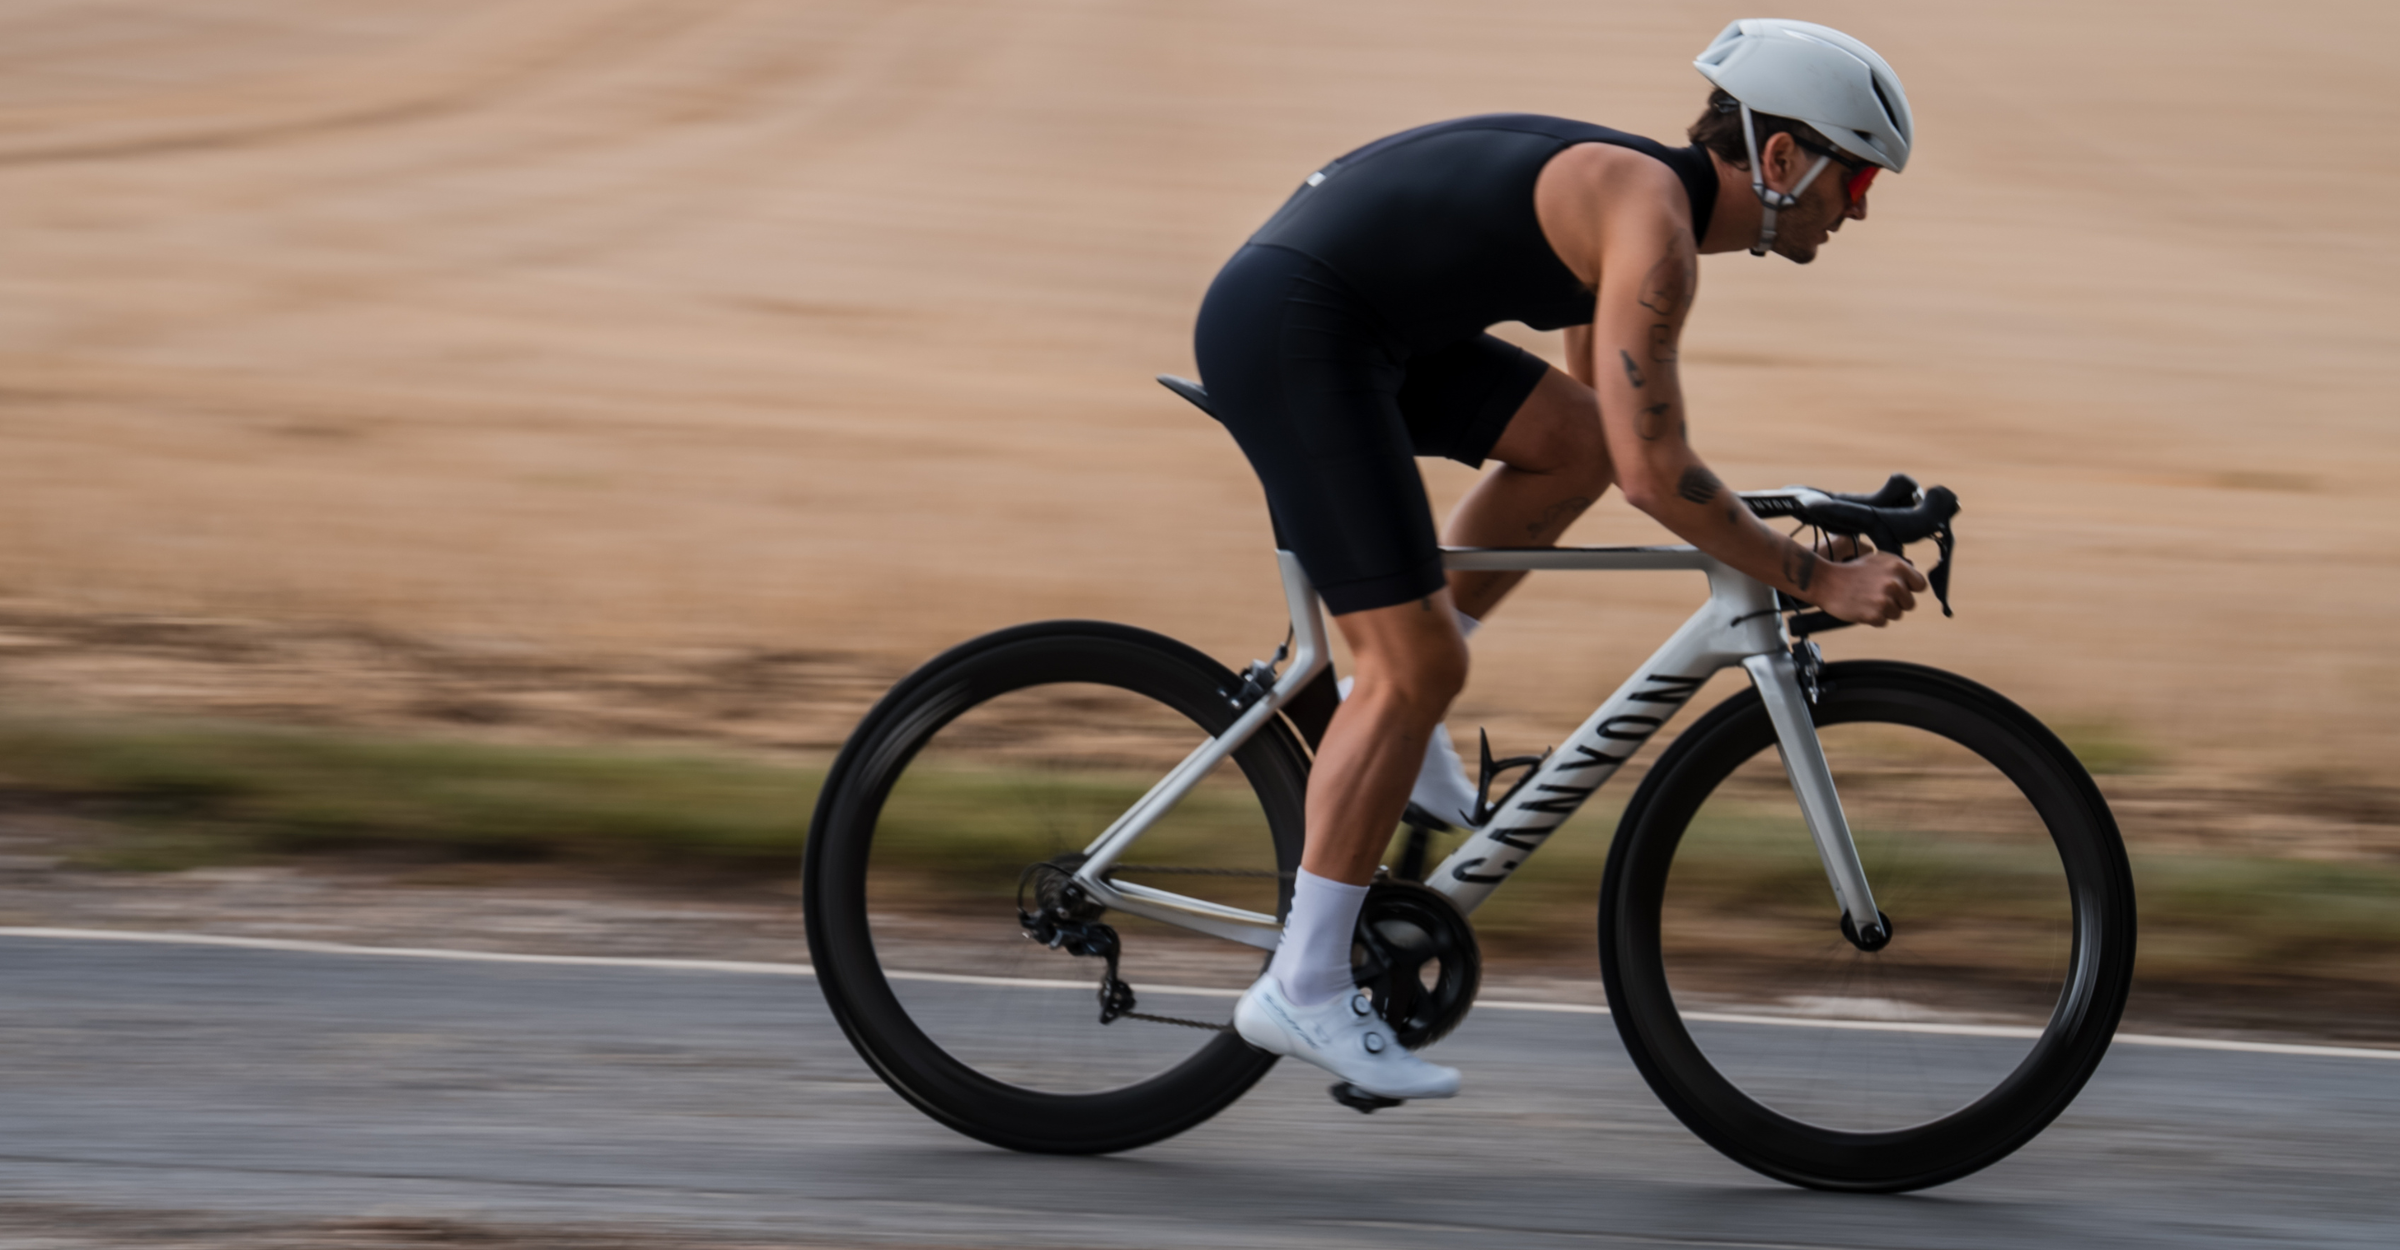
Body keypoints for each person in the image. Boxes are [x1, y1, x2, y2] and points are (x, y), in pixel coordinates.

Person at [1203, 19, 1932, 1100]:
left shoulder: (1645, 208)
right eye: (1858, 176)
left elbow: (1618, 437)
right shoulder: (1657, 232)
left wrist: (1774, 520)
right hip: (1300, 329)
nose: (1861, 207)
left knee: (1571, 443)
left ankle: (1376, 689)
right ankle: (1303, 984)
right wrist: (1812, 576)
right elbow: (1658, 473)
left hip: (1344, 320)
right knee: (1423, 669)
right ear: (1782, 159)